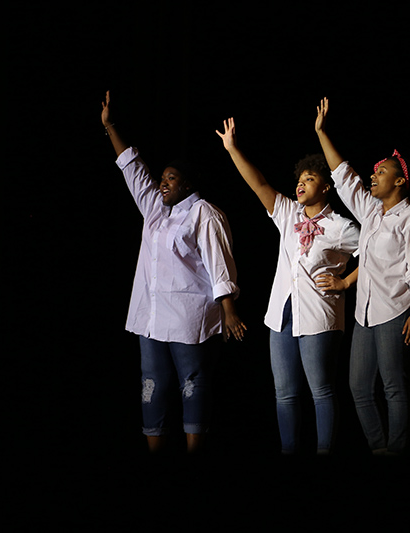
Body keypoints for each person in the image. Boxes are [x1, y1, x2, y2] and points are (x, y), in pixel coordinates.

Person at [101, 91, 245, 455]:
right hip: (149, 316)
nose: (162, 183)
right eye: (162, 177)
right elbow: (132, 168)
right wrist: (109, 126)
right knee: (152, 382)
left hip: (186, 316)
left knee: (192, 382)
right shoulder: (154, 211)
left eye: (171, 178)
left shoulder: (203, 214)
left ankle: (194, 451)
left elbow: (219, 263)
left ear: (188, 185)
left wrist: (229, 311)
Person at [216, 117, 359, 455]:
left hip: (318, 318)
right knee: (285, 393)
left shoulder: (340, 227)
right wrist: (232, 148)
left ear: (326, 187)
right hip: (281, 316)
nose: (301, 183)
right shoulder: (288, 213)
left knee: (321, 391)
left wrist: (345, 281)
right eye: (299, 178)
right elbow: (258, 184)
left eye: (310, 178)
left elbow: (376, 253)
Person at [314, 98, 410, 455]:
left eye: (381, 172)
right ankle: (378, 448)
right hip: (365, 313)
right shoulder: (371, 212)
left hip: (395, 311)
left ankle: (396, 451)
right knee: (358, 388)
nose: (373, 175)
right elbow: (343, 176)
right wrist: (321, 132)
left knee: (393, 386)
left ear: (399, 181)